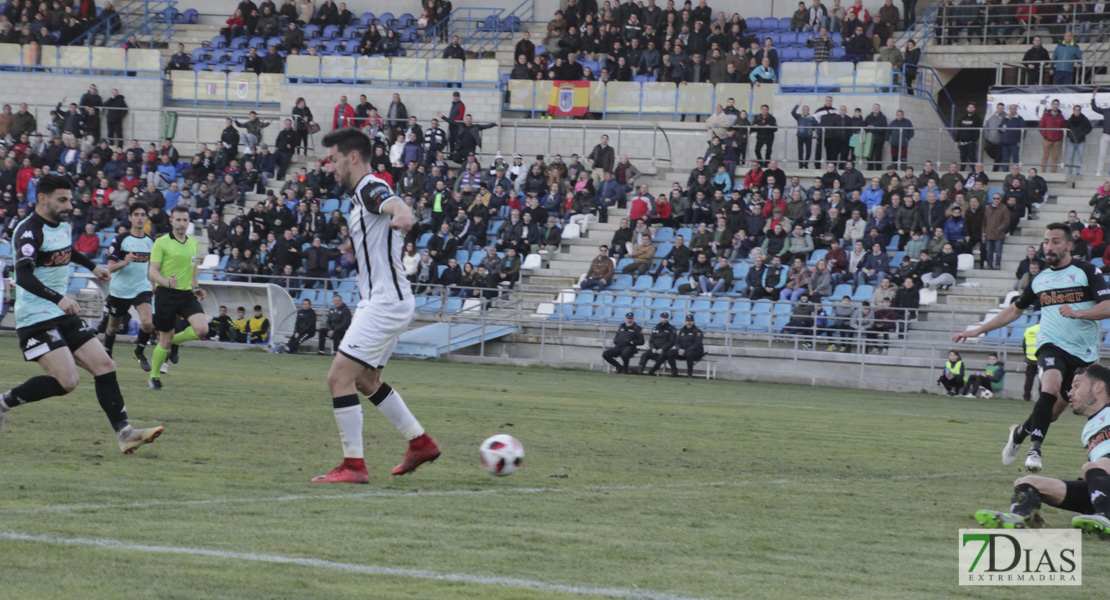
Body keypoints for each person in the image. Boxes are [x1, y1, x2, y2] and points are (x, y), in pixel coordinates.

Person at [0, 175, 163, 454]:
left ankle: (125, 433)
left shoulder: (63, 225)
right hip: (36, 316)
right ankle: (3, 403)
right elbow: (24, 276)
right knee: (68, 381)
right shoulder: (28, 231)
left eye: (69, 199)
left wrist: (92, 266)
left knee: (105, 366)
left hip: (61, 313)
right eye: (62, 199)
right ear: (42, 199)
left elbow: (67, 252)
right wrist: (59, 298)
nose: (69, 205)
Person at [313, 128, 440, 484]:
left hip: (384, 302)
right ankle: (421, 442)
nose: (332, 166)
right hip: (389, 300)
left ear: (352, 157)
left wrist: (405, 215)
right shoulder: (359, 198)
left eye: (335, 159)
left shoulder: (370, 187)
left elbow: (395, 202)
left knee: (339, 378)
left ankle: (354, 466)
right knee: (367, 379)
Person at [954, 223, 1110, 473]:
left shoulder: (1087, 271)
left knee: (1051, 414)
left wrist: (1079, 313)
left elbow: (1107, 306)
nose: (1049, 246)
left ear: (1069, 245)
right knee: (1049, 388)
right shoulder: (1040, 279)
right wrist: (978, 330)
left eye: (1056, 241)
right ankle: (1034, 449)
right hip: (1050, 345)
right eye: (1047, 241)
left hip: (1083, 354)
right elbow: (1015, 310)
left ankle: (1018, 435)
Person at [973, 364, 1110, 537]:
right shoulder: (1090, 427)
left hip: (1100, 476)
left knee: (1092, 467)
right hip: (1102, 489)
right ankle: (1019, 517)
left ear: (1098, 387)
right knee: (1027, 482)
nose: (1069, 393)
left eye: (1076, 386)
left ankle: (1106, 517)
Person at [147, 206, 210, 390]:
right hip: (165, 295)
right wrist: (166, 282)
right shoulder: (161, 243)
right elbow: (152, 271)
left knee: (202, 329)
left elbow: (194, 265)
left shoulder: (193, 243)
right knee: (164, 341)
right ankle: (154, 376)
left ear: (188, 221)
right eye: (178, 220)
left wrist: (196, 287)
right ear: (171, 221)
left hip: (185, 295)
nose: (182, 224)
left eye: (185, 220)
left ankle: (176, 341)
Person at [102, 202, 155, 371]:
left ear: (147, 218)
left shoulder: (150, 242)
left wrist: (153, 284)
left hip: (141, 288)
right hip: (120, 290)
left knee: (147, 323)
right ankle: (107, 354)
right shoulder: (120, 239)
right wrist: (125, 262)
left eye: (143, 215)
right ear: (130, 217)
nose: (140, 218)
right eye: (136, 214)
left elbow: (152, 267)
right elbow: (109, 267)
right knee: (112, 327)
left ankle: (139, 352)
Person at [666, 314, 705, 378]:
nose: (689, 322)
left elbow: (697, 345)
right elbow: (677, 342)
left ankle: (689, 374)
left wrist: (685, 350)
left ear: (693, 322)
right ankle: (674, 372)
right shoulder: (682, 330)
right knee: (670, 352)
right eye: (687, 321)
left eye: (690, 321)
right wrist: (679, 349)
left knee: (689, 354)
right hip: (682, 351)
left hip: (695, 352)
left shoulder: (697, 331)